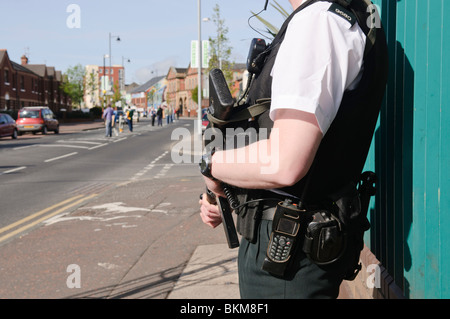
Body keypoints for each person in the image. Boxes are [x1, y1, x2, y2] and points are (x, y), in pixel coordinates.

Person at [199, 0, 388, 299]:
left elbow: (285, 161)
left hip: (286, 257)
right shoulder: (351, 15)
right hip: (293, 243)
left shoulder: (319, 23)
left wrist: (211, 164)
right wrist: (224, 186)